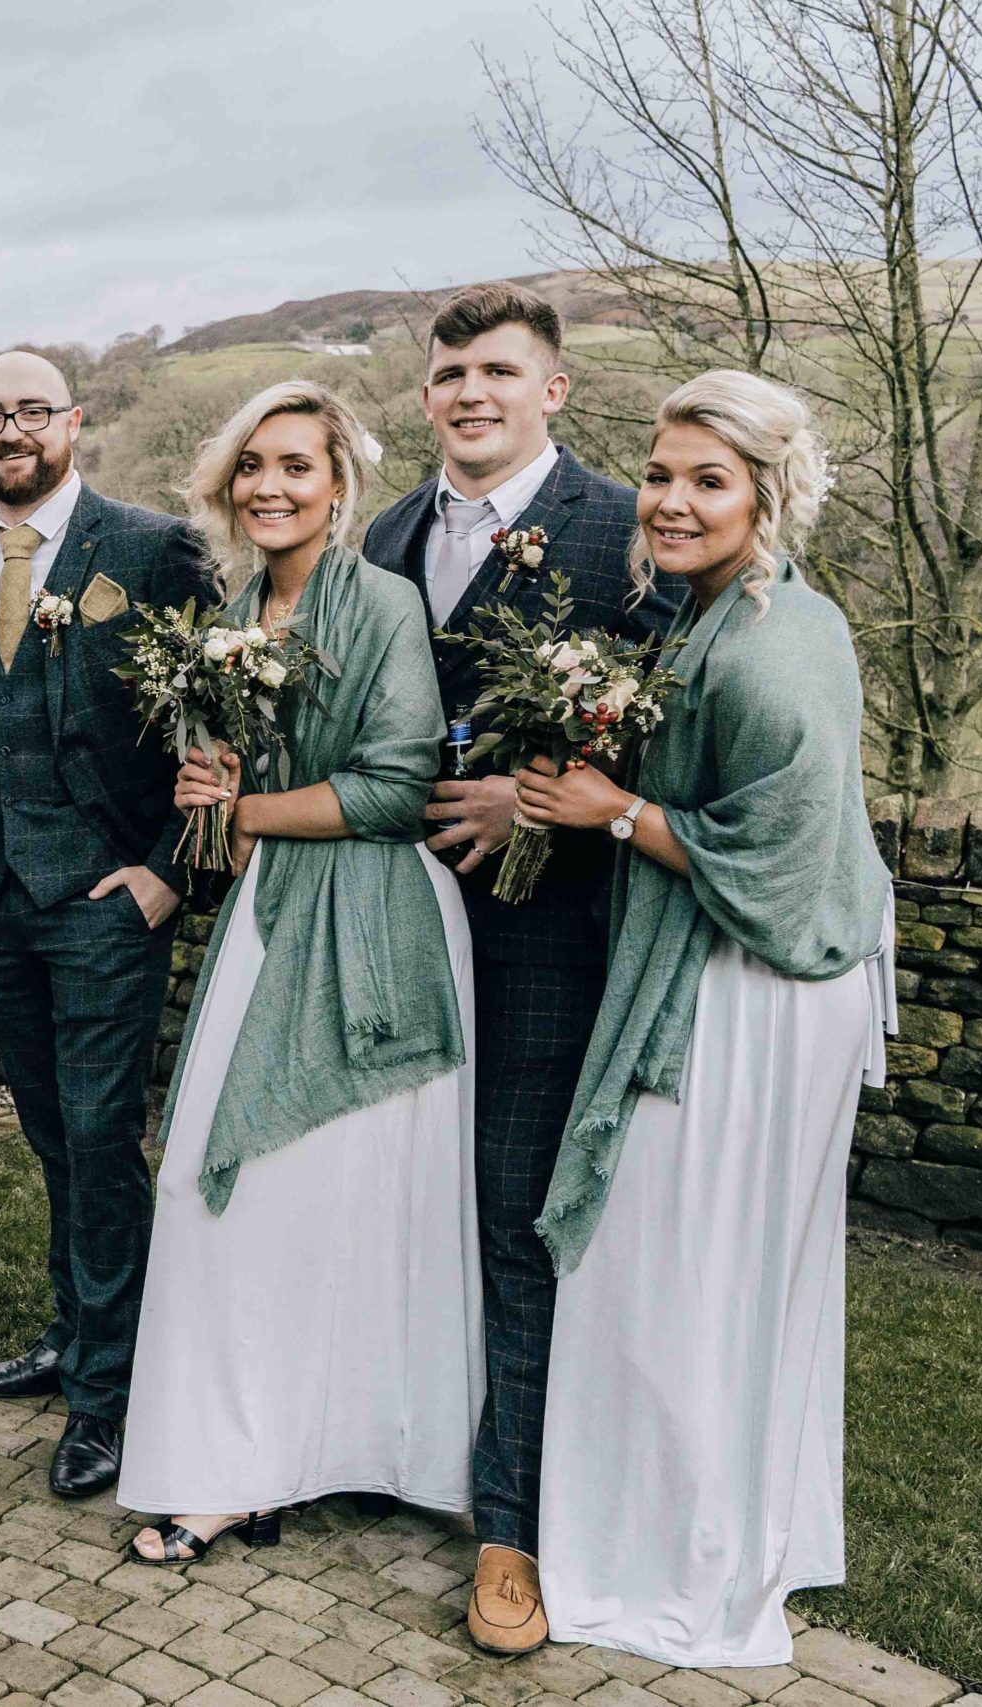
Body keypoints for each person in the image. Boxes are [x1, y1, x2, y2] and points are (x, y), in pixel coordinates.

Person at [513, 370, 894, 1669]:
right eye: (663, 474)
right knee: (670, 1264)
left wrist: (610, 811)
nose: (670, 500)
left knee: (697, 1270)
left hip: (755, 995)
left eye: (707, 479)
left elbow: (785, 863)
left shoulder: (781, 641)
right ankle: (672, 1530)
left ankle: (697, 1563)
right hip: (716, 972)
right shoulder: (708, 609)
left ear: (767, 494)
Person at [359, 283, 680, 1651]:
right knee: (399, 1197)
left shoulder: (630, 535)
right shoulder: (383, 536)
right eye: (451, 372)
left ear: (555, 388)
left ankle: (514, 1527)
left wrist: (543, 789)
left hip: (551, 936)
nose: (471, 391)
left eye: (500, 369)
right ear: (425, 392)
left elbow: (681, 724)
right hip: (388, 925)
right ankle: (405, 1440)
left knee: (514, 1217)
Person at [117, 381, 480, 1560]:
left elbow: (394, 787)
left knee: (324, 1199)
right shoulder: (227, 614)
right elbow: (222, 795)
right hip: (269, 911)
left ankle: (328, 1447)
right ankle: (240, 1450)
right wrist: (202, 790)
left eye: (295, 467)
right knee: (226, 1190)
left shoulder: (381, 605)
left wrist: (245, 807)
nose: (269, 487)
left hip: (370, 922)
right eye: (251, 468)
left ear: (339, 486)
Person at [0, 350, 211, 1497]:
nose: (11, 430)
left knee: (100, 1144)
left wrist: (163, 875)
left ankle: (111, 1394)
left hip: (103, 901)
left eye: (32, 411)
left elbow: (214, 718)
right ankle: (71, 1337)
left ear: (73, 422)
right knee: (51, 1137)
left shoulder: (149, 549)